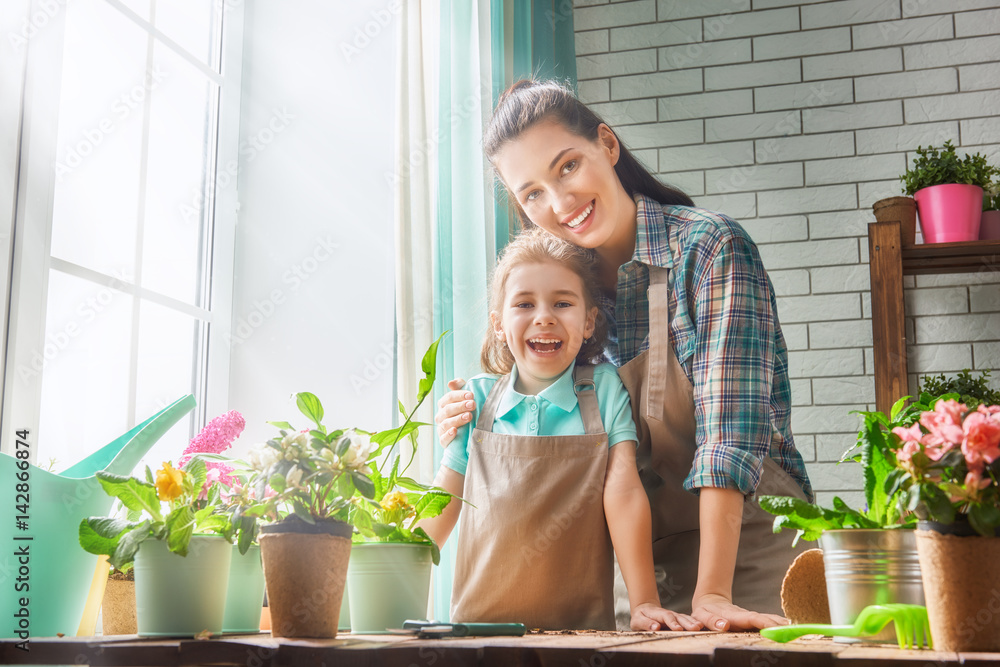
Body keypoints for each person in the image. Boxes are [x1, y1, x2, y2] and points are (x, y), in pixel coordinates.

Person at [435, 79, 813, 632]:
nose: (559, 203)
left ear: (606, 146)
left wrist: (711, 592)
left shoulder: (708, 251)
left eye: (567, 167)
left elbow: (729, 436)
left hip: (749, 558)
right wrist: (471, 418)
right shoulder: (564, 298)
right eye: (532, 193)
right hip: (630, 581)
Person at [419, 228, 702, 632]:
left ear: (589, 321)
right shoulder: (475, 400)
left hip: (583, 635)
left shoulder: (604, 389)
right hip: (478, 636)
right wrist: (388, 578)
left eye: (562, 303)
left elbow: (622, 490)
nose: (544, 316)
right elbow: (442, 499)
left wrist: (643, 602)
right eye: (524, 303)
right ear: (499, 325)